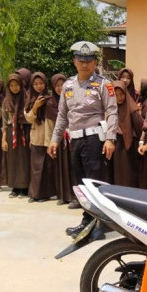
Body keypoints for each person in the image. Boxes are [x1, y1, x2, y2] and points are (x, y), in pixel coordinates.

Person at [47, 41, 118, 239]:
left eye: (89, 60)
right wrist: (55, 139)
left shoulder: (104, 84)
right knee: (80, 184)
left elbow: (112, 111)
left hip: (95, 139)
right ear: (74, 61)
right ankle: (87, 221)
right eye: (81, 60)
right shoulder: (68, 85)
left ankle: (98, 225)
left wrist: (110, 139)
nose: (85, 64)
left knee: (93, 183)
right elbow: (62, 115)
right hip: (75, 140)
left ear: (95, 62)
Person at [25, 71, 56, 202]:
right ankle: (35, 194)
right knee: (36, 168)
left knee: (48, 168)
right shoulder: (30, 99)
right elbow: (28, 118)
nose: (39, 86)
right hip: (36, 137)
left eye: (41, 83)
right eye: (36, 84)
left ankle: (46, 194)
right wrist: (36, 107)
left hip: (49, 136)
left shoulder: (50, 98)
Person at [2, 73, 30, 198]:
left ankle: (24, 187)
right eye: (11, 85)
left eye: (16, 85)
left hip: (24, 130)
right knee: (12, 160)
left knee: (24, 160)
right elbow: (4, 121)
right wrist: (3, 139)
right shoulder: (6, 101)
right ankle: (15, 187)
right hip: (11, 132)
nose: (14, 88)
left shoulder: (26, 98)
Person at [48, 73, 74, 205]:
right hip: (59, 138)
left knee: (72, 167)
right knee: (62, 167)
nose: (60, 88)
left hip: (73, 137)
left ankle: (74, 197)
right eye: (57, 85)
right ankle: (63, 195)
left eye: (62, 85)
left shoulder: (73, 98)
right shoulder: (51, 102)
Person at [110, 80, 143, 187]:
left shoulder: (132, 108)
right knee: (118, 172)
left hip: (129, 145)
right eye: (116, 95)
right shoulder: (112, 109)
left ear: (126, 93)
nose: (119, 97)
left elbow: (140, 127)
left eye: (122, 94)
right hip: (117, 143)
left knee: (129, 173)